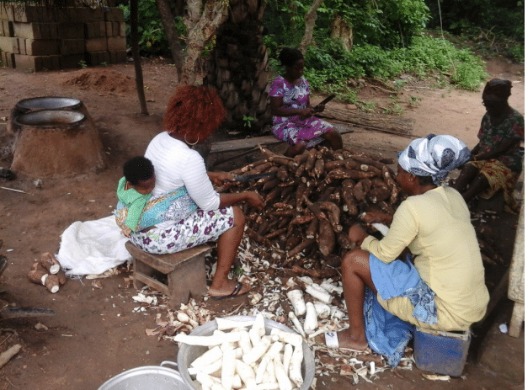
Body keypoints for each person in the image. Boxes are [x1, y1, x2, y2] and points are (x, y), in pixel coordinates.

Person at [324, 135, 490, 366]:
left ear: (411, 177)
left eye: (400, 171)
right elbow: (430, 226)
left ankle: (356, 337)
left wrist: (362, 238)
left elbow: (384, 254)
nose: (397, 175)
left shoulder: (412, 207)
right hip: (472, 307)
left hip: (442, 311)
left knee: (353, 261)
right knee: (405, 259)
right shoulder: (453, 196)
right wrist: (389, 219)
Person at [121, 85, 265, 300]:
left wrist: (211, 174)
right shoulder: (190, 158)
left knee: (208, 203)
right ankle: (220, 284)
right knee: (235, 216)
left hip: (138, 230)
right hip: (159, 239)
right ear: (202, 124)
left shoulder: (159, 139)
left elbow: (172, 173)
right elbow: (210, 204)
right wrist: (246, 196)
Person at [453, 79, 524, 212]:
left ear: (503, 101)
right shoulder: (488, 117)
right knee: (467, 171)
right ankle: (451, 200)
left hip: (505, 164)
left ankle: (458, 206)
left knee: (482, 179)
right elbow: (482, 142)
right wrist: (469, 156)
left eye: (491, 105)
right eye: (485, 104)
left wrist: (474, 159)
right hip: (485, 159)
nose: (487, 108)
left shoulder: (516, 120)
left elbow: (499, 150)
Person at [269, 48, 343, 157]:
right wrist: (299, 111)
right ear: (287, 67)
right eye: (296, 69)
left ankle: (339, 162)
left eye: (302, 68)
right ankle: (281, 164)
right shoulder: (279, 83)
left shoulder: (303, 81)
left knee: (334, 133)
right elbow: (275, 109)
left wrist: (316, 109)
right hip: (284, 124)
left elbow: (307, 105)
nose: (300, 71)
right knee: (300, 145)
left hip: (305, 121)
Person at [116, 156, 156, 237]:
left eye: (152, 184)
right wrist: (129, 226)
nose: (150, 189)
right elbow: (135, 210)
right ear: (131, 184)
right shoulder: (139, 198)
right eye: (145, 188)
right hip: (127, 217)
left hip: (120, 208)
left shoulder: (124, 181)